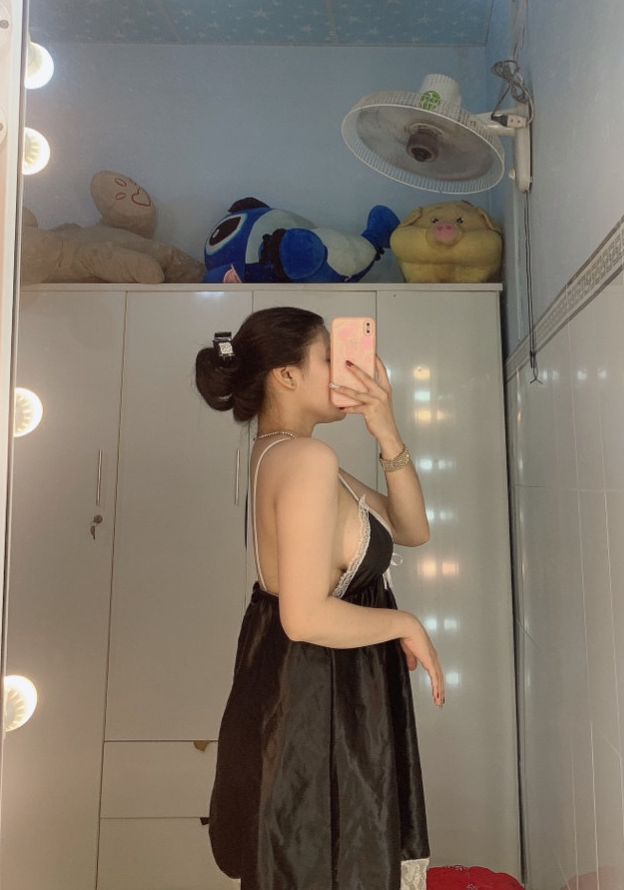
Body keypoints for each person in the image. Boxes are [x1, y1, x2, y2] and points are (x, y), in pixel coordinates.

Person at [194, 306, 443, 890]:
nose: (345, 368)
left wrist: (386, 428)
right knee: (331, 859)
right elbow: (305, 618)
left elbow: (412, 529)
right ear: (285, 375)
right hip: (320, 697)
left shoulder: (287, 453)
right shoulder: (306, 460)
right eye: (329, 357)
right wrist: (406, 623)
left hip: (314, 686)